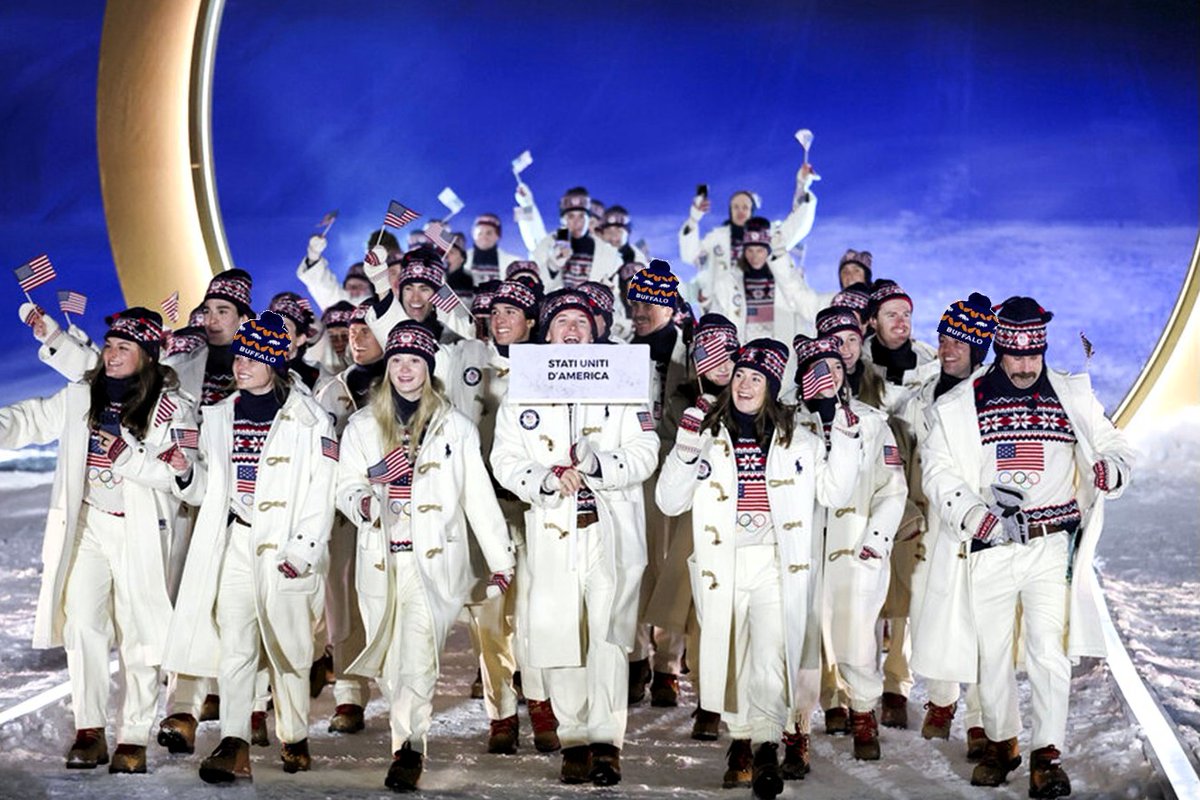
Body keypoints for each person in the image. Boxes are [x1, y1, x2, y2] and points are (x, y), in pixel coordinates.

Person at [921, 297, 1133, 798]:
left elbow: (1115, 445)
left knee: (1048, 651)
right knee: (991, 654)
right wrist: (977, 517)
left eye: (1033, 355)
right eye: (1015, 356)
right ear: (998, 348)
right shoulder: (960, 405)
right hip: (991, 546)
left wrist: (1112, 470)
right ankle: (1002, 744)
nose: (1024, 366)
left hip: (1049, 548)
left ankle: (1047, 758)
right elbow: (938, 471)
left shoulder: (1071, 394)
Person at [655, 338, 862, 798]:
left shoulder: (800, 438)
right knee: (734, 657)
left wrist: (839, 423)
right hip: (721, 562)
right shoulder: (706, 431)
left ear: (773, 386)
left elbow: (836, 493)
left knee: (770, 655)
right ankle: (741, 739)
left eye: (757, 378)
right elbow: (669, 501)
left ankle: (764, 747)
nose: (746, 385)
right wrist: (686, 446)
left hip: (774, 560)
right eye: (741, 375)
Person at [0, 309, 195, 774]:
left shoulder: (174, 407)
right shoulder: (79, 396)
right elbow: (27, 421)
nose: (111, 354)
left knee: (140, 634)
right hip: (87, 525)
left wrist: (126, 458)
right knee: (82, 624)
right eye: (109, 345)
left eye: (124, 347)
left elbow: (180, 477)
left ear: (147, 355)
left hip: (140, 530)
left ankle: (133, 735)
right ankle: (90, 730)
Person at [335, 320, 516, 791]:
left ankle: (409, 749)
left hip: (432, 562)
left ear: (429, 368)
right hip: (380, 560)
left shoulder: (454, 426)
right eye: (396, 360)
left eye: (414, 360)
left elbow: (477, 496)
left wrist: (501, 560)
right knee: (392, 666)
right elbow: (345, 487)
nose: (404, 369)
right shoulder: (360, 426)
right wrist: (374, 487)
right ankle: (406, 733)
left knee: (417, 658)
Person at [490, 289, 659, 786]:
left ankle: (607, 742)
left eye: (580, 323)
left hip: (609, 534)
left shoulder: (625, 384)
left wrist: (600, 464)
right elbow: (504, 459)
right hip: (553, 531)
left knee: (607, 639)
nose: (571, 330)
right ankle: (574, 739)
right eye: (561, 321)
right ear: (545, 333)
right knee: (559, 636)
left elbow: (646, 449)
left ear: (595, 332)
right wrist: (543, 478)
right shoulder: (522, 390)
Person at [162, 311, 338, 783]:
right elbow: (208, 491)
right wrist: (185, 470)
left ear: (276, 361)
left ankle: (294, 735)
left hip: (285, 549)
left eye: (254, 358)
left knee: (289, 649)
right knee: (236, 645)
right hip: (237, 541)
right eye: (240, 355)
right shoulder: (219, 414)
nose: (242, 365)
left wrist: (301, 551)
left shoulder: (311, 419)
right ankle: (234, 742)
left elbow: (322, 492)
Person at [441, 278, 562, 755]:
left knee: (534, 615)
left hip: (533, 508)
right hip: (479, 509)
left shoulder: (552, 368)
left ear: (531, 322)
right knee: (488, 622)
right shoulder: (463, 355)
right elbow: (404, 339)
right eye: (495, 311)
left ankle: (541, 704)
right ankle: (501, 714)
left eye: (512, 312)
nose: (501, 318)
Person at [789, 334, 906, 765]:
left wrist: (875, 542)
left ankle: (862, 714)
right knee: (800, 644)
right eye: (818, 370)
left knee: (857, 641)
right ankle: (796, 728)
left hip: (853, 549)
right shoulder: (786, 422)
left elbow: (893, 490)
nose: (829, 377)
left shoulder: (872, 423)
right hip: (800, 553)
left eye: (836, 368)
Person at [897, 293, 997, 759]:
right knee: (931, 616)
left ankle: (979, 720)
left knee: (978, 625)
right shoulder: (920, 397)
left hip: (978, 528)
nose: (946, 348)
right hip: (929, 526)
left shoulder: (992, 399)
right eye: (942, 338)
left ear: (978, 347)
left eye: (957, 341)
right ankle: (942, 700)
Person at [623, 261, 690, 708]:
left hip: (681, 470)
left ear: (669, 306)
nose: (640, 310)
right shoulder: (618, 355)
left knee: (676, 569)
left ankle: (668, 664)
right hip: (635, 473)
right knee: (634, 564)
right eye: (634, 301)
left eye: (650, 302)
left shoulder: (694, 356)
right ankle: (635, 656)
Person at [678, 166, 817, 310]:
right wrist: (694, 219)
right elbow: (690, 255)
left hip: (762, 309)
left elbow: (796, 227)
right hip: (723, 313)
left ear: (752, 210)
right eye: (736, 207)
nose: (740, 211)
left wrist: (802, 186)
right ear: (730, 210)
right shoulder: (716, 239)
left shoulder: (766, 234)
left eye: (745, 207)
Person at [702, 216, 826, 364]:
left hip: (781, 359)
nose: (754, 256)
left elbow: (808, 309)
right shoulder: (728, 283)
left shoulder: (786, 281)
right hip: (744, 359)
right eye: (750, 250)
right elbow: (718, 320)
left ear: (768, 250)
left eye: (760, 250)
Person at [529, 187, 622, 294]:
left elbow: (617, 294)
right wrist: (553, 266)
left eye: (581, 216)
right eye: (571, 216)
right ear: (562, 219)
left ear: (589, 219)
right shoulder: (545, 245)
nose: (577, 222)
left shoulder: (607, 252)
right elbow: (535, 290)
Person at [860, 279, 937, 401]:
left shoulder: (932, 363)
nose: (901, 322)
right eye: (892, 315)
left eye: (906, 315)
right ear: (873, 321)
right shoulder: (857, 366)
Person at [462, 213, 521, 286]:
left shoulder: (512, 263)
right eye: (479, 233)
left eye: (489, 233)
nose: (484, 237)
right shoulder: (458, 260)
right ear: (473, 235)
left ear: (498, 236)